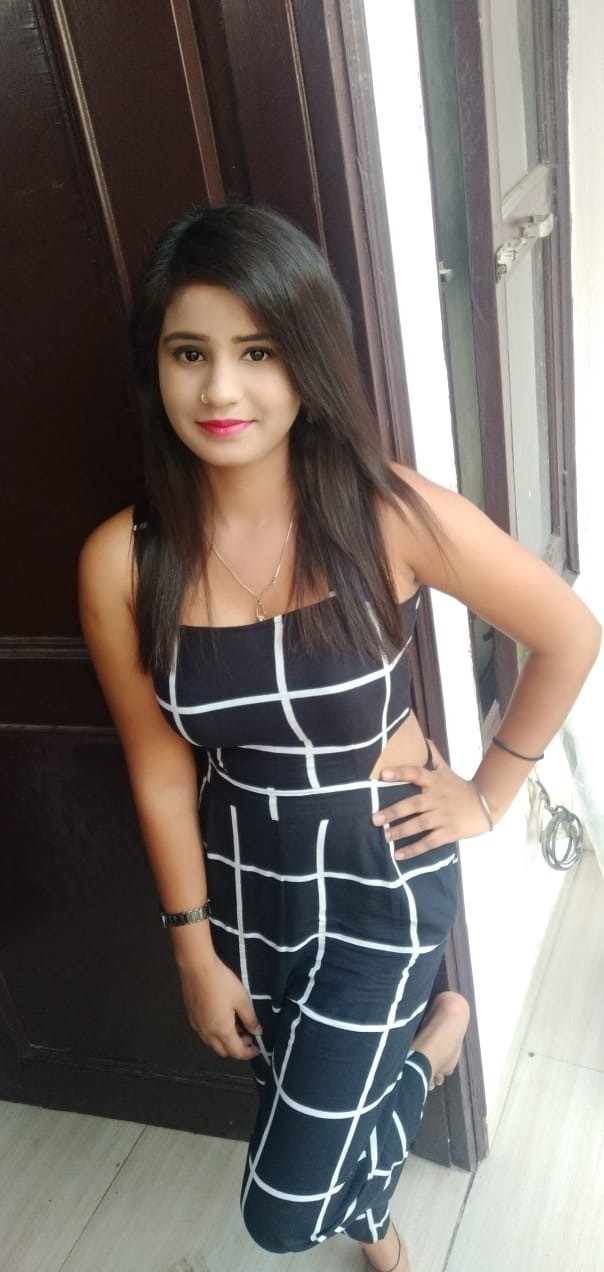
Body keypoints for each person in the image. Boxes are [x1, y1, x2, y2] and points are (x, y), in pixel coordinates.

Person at [78, 202, 601, 1272]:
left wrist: (489, 794)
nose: (221, 391)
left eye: (257, 352)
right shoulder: (123, 561)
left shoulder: (384, 512)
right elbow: (162, 770)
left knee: (279, 1212)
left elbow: (567, 633)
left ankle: (430, 1050)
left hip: (380, 873)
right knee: (293, 1090)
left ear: (306, 361)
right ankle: (376, 1221)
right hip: (245, 872)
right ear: (156, 368)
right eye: (189, 354)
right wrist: (190, 944)